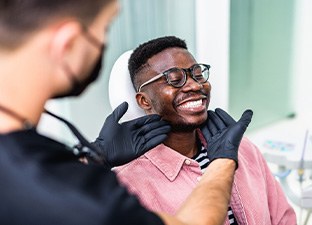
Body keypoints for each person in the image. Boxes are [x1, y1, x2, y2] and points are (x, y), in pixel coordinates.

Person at [0, 1, 253, 225]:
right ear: (68, 43)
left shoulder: (28, 168)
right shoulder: (84, 196)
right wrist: (222, 161)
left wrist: (94, 157)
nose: (193, 85)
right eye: (105, 28)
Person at [105, 36, 297, 225]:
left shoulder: (242, 149)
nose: (195, 85)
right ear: (144, 101)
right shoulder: (129, 185)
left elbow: (284, 219)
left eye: (197, 74)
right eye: (174, 79)